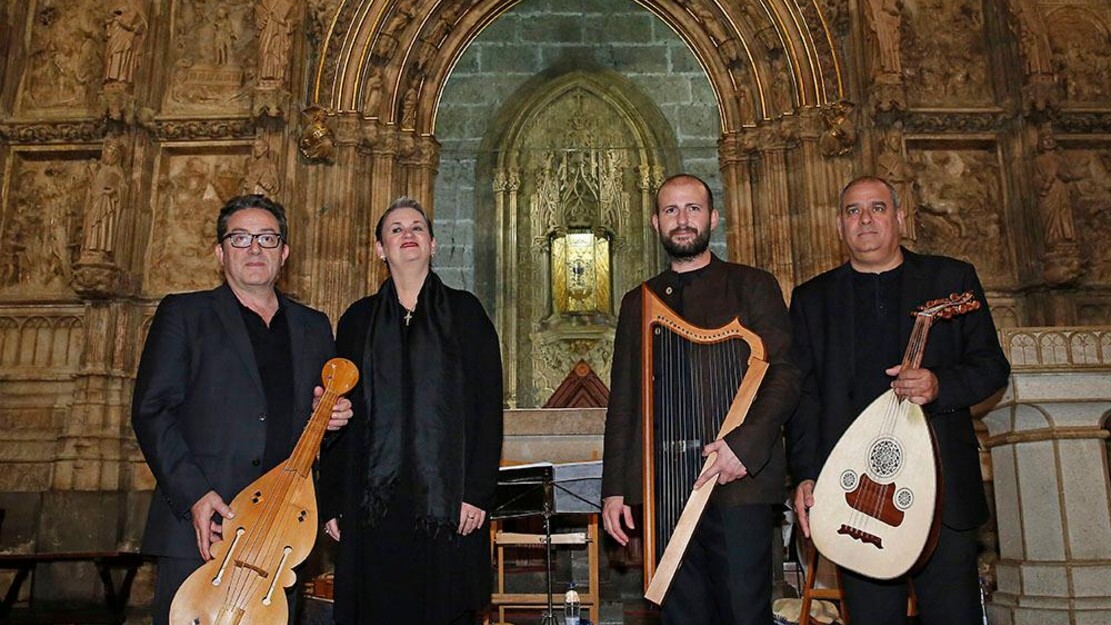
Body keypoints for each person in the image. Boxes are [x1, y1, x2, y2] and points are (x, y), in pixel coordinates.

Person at [788, 176, 1010, 625]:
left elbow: (991, 366)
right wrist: (808, 473)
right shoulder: (812, 299)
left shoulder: (951, 278)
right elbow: (804, 397)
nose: (865, 220)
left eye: (877, 208)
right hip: (855, 497)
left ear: (900, 218)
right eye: (853, 211)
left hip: (942, 491)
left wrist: (939, 384)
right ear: (839, 225)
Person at [131, 194, 353, 625]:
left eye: (267, 238)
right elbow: (151, 411)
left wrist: (332, 420)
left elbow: (318, 429)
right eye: (240, 238)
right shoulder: (185, 313)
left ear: (284, 253)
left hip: (280, 534)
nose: (254, 248)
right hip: (204, 524)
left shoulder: (313, 326)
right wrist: (194, 495)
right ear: (220, 252)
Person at [601, 174, 800, 625]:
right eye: (671, 210)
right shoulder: (638, 301)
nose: (682, 220)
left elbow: (785, 374)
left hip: (738, 483)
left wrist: (742, 448)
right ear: (656, 223)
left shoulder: (752, 285)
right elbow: (625, 401)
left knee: (743, 614)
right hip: (665, 488)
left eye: (693, 208)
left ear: (713, 218)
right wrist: (614, 489)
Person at [319, 196, 504, 625]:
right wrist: (332, 501)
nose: (408, 235)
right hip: (373, 504)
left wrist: (476, 493)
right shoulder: (356, 320)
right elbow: (336, 416)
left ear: (433, 244)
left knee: (445, 610)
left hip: (447, 500)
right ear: (380, 249)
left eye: (417, 227)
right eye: (396, 229)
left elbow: (487, 409)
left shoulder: (466, 313)